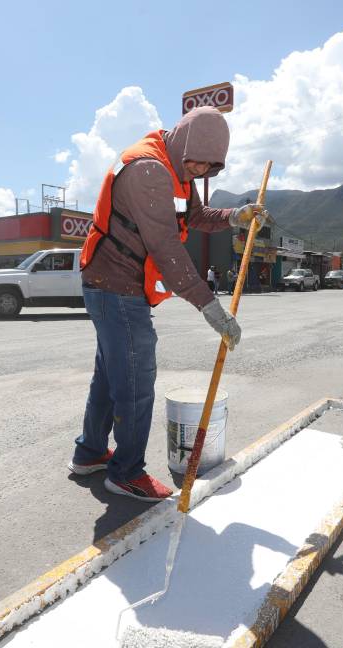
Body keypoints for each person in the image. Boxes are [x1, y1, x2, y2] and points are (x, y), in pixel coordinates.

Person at [71, 107, 270, 501]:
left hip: (113, 285)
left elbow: (194, 215)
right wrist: (213, 311)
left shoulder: (175, 165)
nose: (198, 170)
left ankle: (90, 453)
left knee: (111, 377)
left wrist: (236, 216)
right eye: (196, 161)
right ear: (183, 143)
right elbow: (167, 252)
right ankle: (126, 472)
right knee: (134, 383)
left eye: (209, 167)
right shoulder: (149, 170)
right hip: (116, 288)